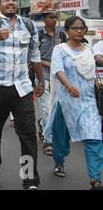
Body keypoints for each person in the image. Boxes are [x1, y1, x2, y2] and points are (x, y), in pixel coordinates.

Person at [0, 0, 45, 190]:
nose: (11, 3)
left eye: (14, 0)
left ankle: (29, 179)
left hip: (22, 86)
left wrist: (41, 81)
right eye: (7, 0)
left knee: (28, 134)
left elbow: (35, 55)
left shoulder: (29, 24)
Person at [43, 16, 103, 190]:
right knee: (61, 137)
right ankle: (59, 160)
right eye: (75, 28)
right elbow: (58, 70)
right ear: (66, 31)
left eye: (81, 28)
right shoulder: (60, 50)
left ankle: (95, 178)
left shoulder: (89, 50)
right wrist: (69, 86)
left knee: (94, 137)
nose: (79, 31)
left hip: (88, 102)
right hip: (66, 101)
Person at [36, 12, 67, 156]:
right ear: (44, 20)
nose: (54, 20)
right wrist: (49, 63)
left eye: (56, 17)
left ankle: (43, 123)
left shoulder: (62, 36)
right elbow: (34, 56)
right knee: (46, 108)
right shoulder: (38, 35)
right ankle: (48, 141)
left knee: (55, 109)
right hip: (43, 76)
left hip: (59, 77)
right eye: (51, 17)